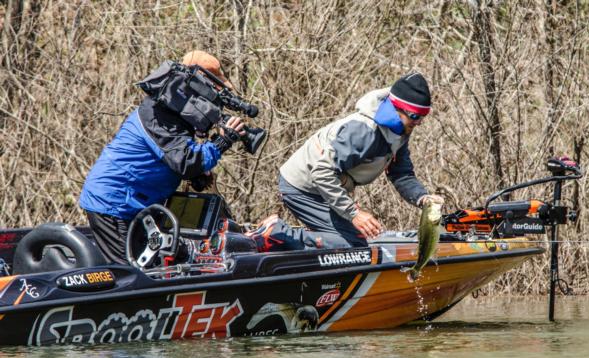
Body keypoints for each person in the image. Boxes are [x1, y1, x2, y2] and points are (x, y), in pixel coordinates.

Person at [79, 50, 245, 264]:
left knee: (155, 266)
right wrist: (222, 142)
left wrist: (196, 174)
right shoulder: (160, 116)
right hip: (115, 204)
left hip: (135, 205)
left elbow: (174, 158)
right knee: (129, 278)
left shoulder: (172, 111)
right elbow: (186, 162)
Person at [249, 73, 444, 251]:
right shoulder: (364, 131)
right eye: (415, 116)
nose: (418, 123)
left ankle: (292, 241)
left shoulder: (400, 130)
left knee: (356, 240)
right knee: (353, 246)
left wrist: (423, 198)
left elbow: (401, 174)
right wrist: (354, 213)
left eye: (423, 117)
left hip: (324, 187)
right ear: (396, 108)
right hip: (302, 185)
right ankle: (276, 233)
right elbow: (321, 172)